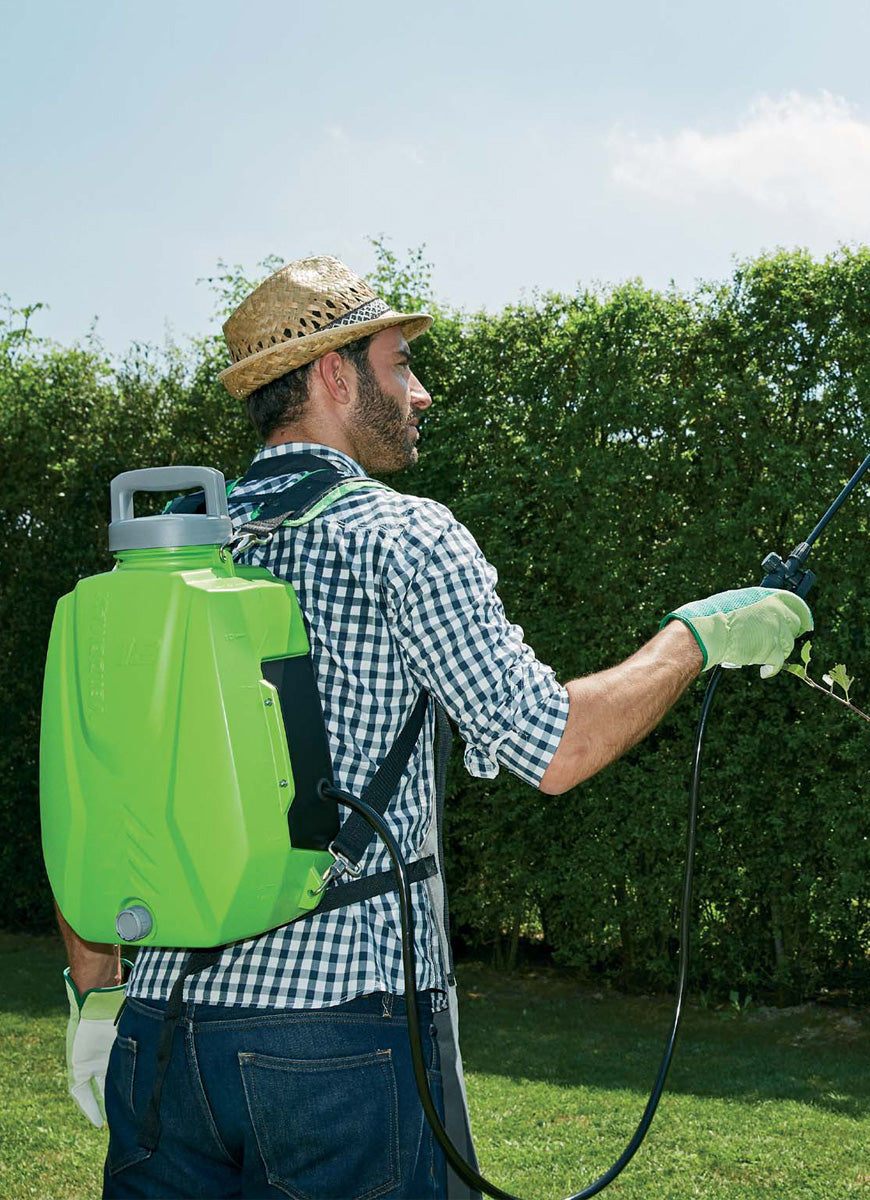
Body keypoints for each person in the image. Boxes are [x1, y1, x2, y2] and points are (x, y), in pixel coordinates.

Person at [56, 255, 812, 1199]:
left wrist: (96, 992)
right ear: (334, 375)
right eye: (400, 362)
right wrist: (696, 637)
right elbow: (554, 747)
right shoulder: (404, 537)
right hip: (333, 1048)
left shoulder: (167, 558)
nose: (422, 391)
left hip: (158, 1045)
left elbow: (89, 796)